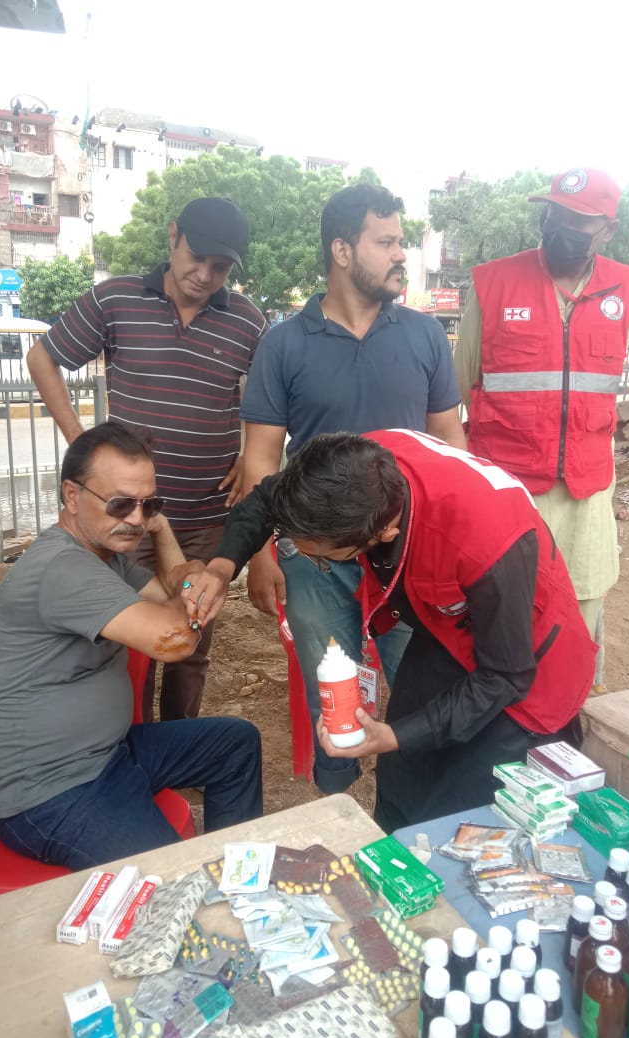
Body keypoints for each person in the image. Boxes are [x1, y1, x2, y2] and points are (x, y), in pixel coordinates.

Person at [185, 429, 596, 831]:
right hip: (443, 629)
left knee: (469, 814)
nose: (316, 563)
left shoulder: (487, 540)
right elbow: (266, 499)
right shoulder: (346, 473)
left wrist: (393, 735)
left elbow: (505, 675)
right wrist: (222, 568)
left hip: (526, 666)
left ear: (383, 534)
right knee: (403, 784)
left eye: (323, 559)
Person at [238, 183, 467, 792]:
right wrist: (261, 554)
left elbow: (451, 444)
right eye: (386, 242)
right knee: (332, 689)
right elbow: (261, 459)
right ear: (342, 250)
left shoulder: (424, 336)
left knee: (423, 682)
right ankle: (335, 801)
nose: (401, 255)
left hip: (405, 552)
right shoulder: (283, 344)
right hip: (314, 555)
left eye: (401, 242)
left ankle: (421, 803)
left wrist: (457, 544)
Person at [0, 423, 263, 870]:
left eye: (150, 504)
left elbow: (169, 592)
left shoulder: (104, 558)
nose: (136, 519)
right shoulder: (64, 569)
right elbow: (176, 641)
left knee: (234, 744)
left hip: (109, 754)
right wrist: (197, 589)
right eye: (121, 504)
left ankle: (238, 880)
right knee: (172, 877)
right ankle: (202, 893)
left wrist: (164, 536)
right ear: (72, 496)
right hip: (51, 791)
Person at [27, 197, 267, 722]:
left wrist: (251, 454)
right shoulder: (116, 298)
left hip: (204, 514)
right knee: (124, 643)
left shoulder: (248, 321)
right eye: (196, 257)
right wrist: (80, 442)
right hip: (124, 517)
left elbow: (269, 398)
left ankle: (177, 744)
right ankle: (130, 743)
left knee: (191, 641)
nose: (205, 275)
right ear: (173, 236)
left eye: (220, 267)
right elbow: (42, 356)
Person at [454, 168, 629, 689]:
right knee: (502, 616)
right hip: (509, 492)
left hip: (586, 495)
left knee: (577, 618)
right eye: (556, 214)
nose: (562, 228)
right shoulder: (493, 283)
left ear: (607, 229)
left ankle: (566, 712)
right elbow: (459, 386)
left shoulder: (626, 289)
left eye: (579, 221)